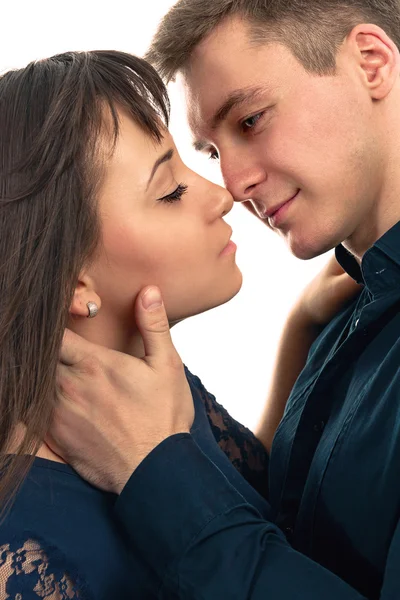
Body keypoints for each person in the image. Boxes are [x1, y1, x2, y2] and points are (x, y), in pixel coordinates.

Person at [47, 0, 400, 599]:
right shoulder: (347, 316)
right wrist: (303, 341)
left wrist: (154, 471)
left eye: (251, 120)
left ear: (370, 62)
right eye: (211, 153)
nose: (231, 188)